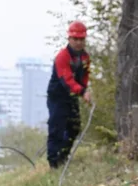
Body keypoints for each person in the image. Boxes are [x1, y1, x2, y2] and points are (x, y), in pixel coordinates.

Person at [46, 20, 92, 169]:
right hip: (57, 97)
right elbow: (66, 80)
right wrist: (82, 91)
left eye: (81, 39)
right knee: (56, 128)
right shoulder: (62, 57)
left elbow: (84, 76)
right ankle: (54, 163)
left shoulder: (85, 57)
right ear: (69, 39)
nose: (78, 42)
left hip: (72, 96)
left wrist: (84, 90)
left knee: (74, 127)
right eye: (75, 39)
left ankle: (63, 156)